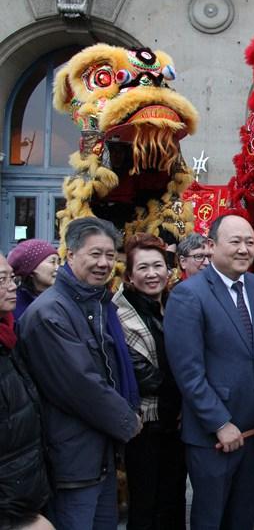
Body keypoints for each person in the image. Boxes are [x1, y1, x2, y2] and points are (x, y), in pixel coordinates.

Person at [17, 217, 142, 530]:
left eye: (110, 255)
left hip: (97, 454)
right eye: (94, 254)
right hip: (70, 460)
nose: (103, 263)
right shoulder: (49, 313)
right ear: (70, 255)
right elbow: (80, 384)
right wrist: (127, 420)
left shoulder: (98, 303)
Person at [164, 214, 254, 530]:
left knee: (242, 518)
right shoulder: (190, 294)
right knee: (210, 518)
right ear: (211, 246)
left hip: (253, 430)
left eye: (250, 242)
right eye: (235, 242)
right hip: (211, 434)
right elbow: (188, 371)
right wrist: (219, 422)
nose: (244, 250)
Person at [112, 233, 185, 529]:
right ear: (129, 275)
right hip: (145, 424)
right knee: (146, 503)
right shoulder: (118, 311)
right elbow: (143, 375)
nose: (152, 274)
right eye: (143, 268)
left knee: (175, 498)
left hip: (177, 422)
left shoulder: (176, 302)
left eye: (158, 266)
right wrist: (188, 387)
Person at [0, 252, 52, 530]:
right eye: (1, 280)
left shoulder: (9, 337)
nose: (11, 286)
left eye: (11, 277)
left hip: (24, 489)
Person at [7, 239, 58, 319]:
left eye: (58, 262)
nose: (57, 268)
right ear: (32, 267)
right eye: (52, 262)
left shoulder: (61, 296)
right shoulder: (14, 305)